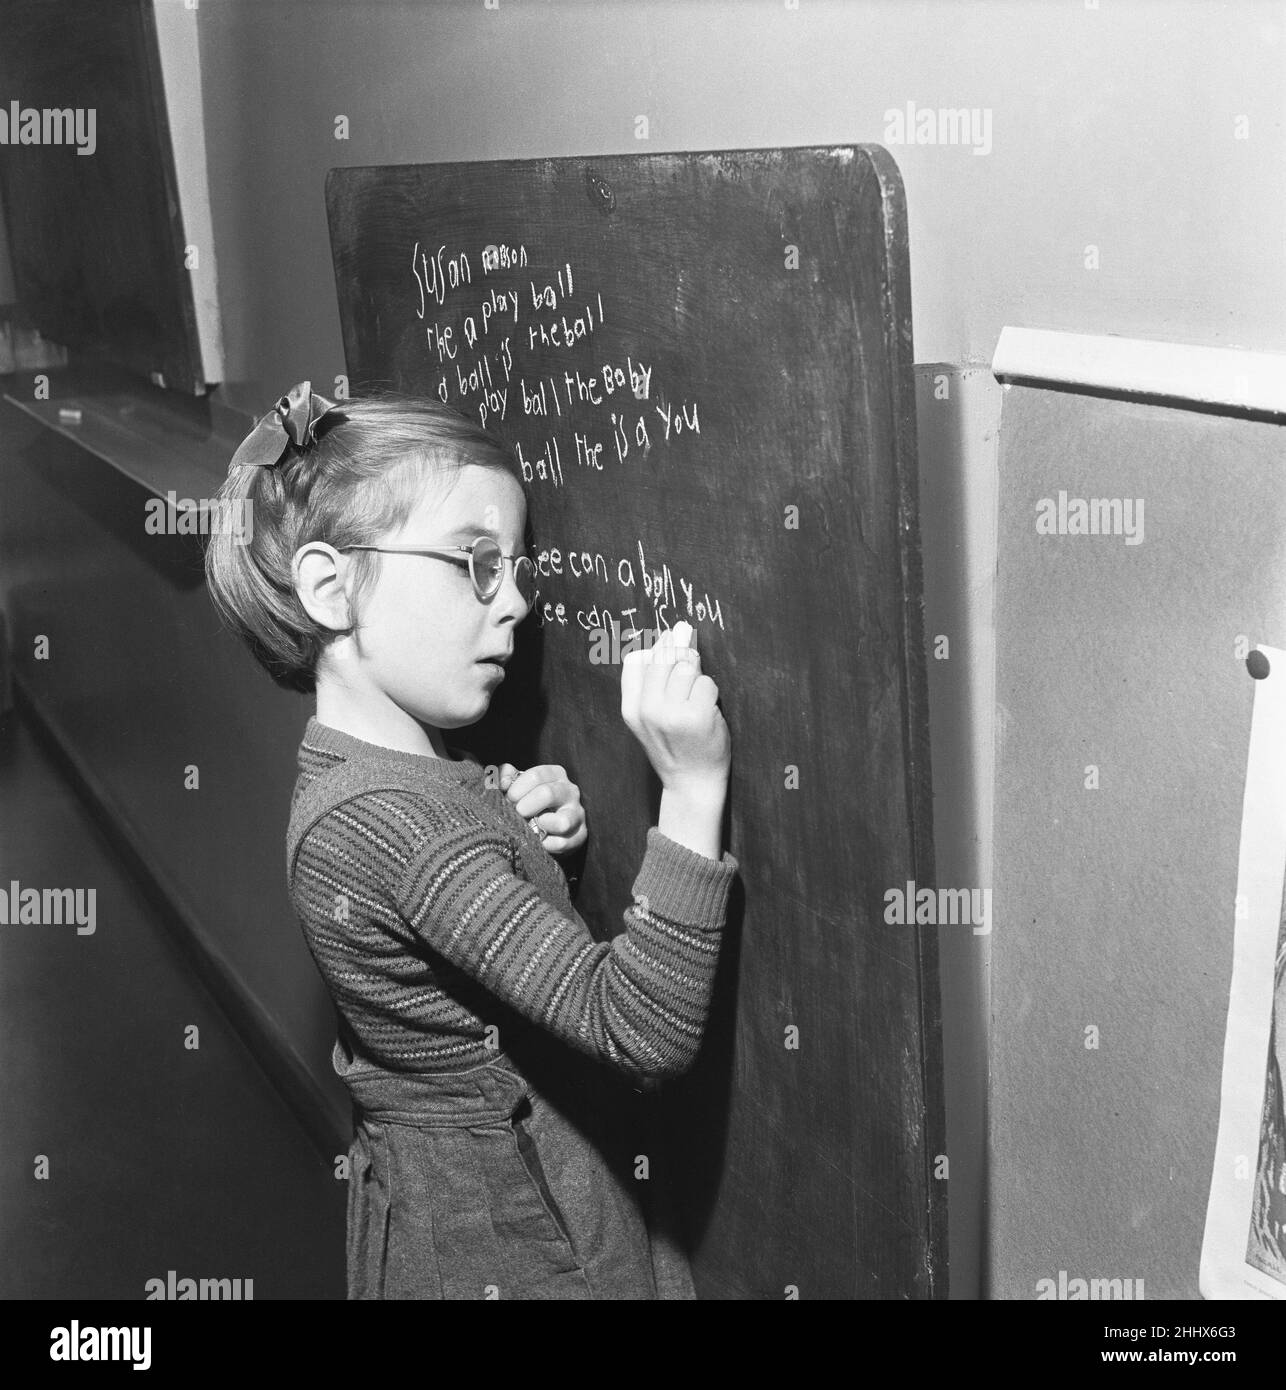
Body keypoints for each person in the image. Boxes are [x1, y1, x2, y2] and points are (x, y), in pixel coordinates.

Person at [203, 382, 738, 1299]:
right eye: (475, 562)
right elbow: (638, 1029)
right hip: (515, 1249)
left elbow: (442, 906)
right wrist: (691, 789)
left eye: (518, 567)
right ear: (333, 588)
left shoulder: (379, 778)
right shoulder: (392, 825)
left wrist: (516, 832)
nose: (519, 603)